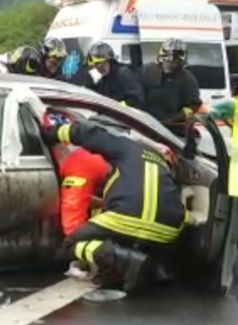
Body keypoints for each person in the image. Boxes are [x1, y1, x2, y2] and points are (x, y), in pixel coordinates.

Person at [41, 112, 187, 292]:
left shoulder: (124, 146)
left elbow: (88, 133)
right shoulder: (159, 159)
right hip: (169, 228)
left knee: (70, 245)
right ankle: (156, 268)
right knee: (139, 232)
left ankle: (128, 261)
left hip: (128, 217)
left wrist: (51, 133)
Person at [41, 110, 111, 239]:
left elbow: (73, 208)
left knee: (72, 220)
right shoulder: (67, 113)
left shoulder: (37, 109)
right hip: (91, 157)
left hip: (79, 164)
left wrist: (73, 243)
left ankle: (79, 245)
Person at [141, 38, 202, 133]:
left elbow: (193, 105)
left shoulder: (187, 79)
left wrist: (175, 118)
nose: (169, 65)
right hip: (146, 124)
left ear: (180, 63)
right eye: (166, 61)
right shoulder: (148, 70)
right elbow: (137, 93)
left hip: (172, 129)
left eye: (174, 62)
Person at [85, 41, 145, 109]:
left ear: (110, 61)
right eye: (96, 66)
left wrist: (120, 106)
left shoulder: (124, 75)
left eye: (102, 65)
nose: (100, 69)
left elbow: (136, 99)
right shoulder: (103, 80)